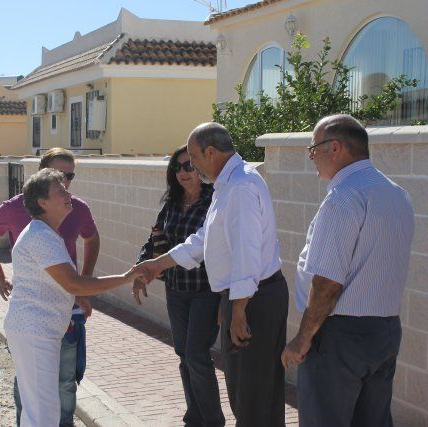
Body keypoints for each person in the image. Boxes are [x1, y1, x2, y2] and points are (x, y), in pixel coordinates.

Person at [137, 122, 288, 427]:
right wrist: (158, 263)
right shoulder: (228, 184)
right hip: (247, 297)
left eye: (193, 158)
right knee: (252, 393)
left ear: (210, 151)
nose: (191, 165)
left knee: (251, 395)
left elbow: (247, 254)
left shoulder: (241, 187)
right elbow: (204, 239)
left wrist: (238, 310)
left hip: (252, 299)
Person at [281, 114, 414, 427]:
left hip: (340, 337)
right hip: (385, 331)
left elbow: (327, 283)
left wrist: (302, 338)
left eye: (313, 150)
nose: (312, 159)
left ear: (335, 148)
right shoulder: (397, 194)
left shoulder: (343, 197)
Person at [4, 168, 143, 426]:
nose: (68, 194)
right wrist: (126, 278)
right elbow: (74, 284)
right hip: (34, 331)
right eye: (60, 191)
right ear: (42, 202)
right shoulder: (40, 237)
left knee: (40, 408)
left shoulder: (46, 233)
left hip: (38, 330)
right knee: (42, 412)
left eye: (66, 189)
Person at [0, 148, 100, 427]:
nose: (66, 182)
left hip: (66, 310)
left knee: (66, 381)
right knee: (31, 386)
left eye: (70, 176)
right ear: (43, 173)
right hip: (35, 318)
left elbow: (92, 240)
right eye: (60, 176)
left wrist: (83, 286)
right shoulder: (15, 207)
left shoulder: (75, 207)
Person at [133, 145, 225, 426]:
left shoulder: (214, 200)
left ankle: (212, 421)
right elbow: (155, 239)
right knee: (184, 354)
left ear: (199, 168)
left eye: (189, 166)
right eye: (177, 167)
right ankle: (195, 416)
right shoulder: (171, 203)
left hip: (207, 290)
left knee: (197, 355)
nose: (183, 172)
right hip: (176, 290)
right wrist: (141, 267)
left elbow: (211, 244)